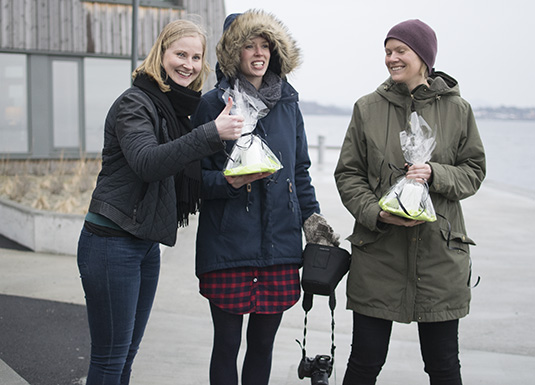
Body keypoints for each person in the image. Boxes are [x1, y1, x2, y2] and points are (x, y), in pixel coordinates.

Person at [76, 19, 243, 385]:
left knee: (126, 358)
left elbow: (184, 175)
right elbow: (148, 162)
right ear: (161, 54)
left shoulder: (177, 109)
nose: (188, 64)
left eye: (196, 57)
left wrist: (236, 179)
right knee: (109, 360)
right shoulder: (135, 103)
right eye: (180, 54)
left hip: (145, 243)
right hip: (110, 242)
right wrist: (210, 133)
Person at [334, 19, 486, 385]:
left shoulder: (458, 110)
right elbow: (348, 174)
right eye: (387, 51)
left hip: (439, 259)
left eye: (400, 50)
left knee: (444, 366)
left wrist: (436, 174)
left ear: (423, 57)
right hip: (378, 256)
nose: (391, 58)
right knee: (365, 363)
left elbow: (474, 171)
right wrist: (378, 213)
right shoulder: (367, 108)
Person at [191, 10, 338, 385]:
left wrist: (313, 222)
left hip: (280, 246)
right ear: (231, 54)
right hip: (227, 245)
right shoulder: (212, 105)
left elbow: (299, 171)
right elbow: (192, 180)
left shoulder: (288, 103)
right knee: (226, 345)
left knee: (262, 346)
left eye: (265, 45)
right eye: (248, 46)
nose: (258, 53)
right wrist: (231, 183)